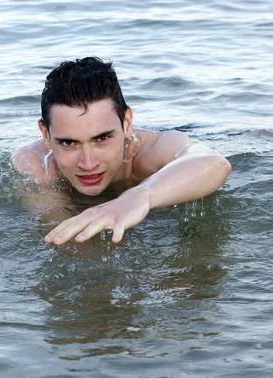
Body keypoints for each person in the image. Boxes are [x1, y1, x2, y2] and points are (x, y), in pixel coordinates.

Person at [12, 57, 232, 246]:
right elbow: (65, 238)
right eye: (69, 143)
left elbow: (214, 163)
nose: (88, 164)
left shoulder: (149, 152)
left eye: (103, 138)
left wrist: (140, 196)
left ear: (127, 123)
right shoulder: (36, 165)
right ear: (46, 135)